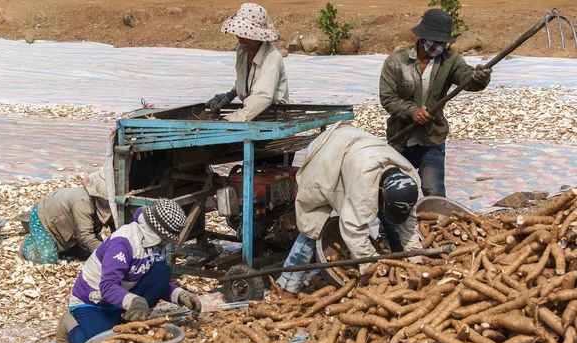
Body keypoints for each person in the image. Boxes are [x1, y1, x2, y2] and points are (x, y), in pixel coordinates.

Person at [275, 121, 422, 298]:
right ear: (381, 190)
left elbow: (409, 225)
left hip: (353, 147)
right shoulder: (365, 185)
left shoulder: (410, 178)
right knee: (312, 224)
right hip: (326, 154)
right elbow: (353, 229)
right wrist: (373, 267)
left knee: (382, 214)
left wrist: (417, 265)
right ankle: (288, 287)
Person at [55, 198, 202, 343]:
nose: (165, 243)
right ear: (156, 233)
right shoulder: (123, 243)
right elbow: (107, 286)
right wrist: (134, 301)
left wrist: (181, 295)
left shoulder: (155, 246)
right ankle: (68, 324)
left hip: (121, 296)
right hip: (92, 301)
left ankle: (132, 320)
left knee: (162, 270)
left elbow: (158, 282)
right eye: (165, 239)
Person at [379, 8, 492, 198]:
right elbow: (388, 97)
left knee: (434, 193)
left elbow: (467, 78)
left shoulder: (451, 61)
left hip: (432, 139)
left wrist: (479, 78)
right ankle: (389, 229)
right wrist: (412, 111)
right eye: (437, 41)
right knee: (393, 194)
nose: (440, 46)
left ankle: (434, 226)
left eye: (444, 42)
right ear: (424, 38)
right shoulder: (396, 61)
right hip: (400, 139)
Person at [206, 3, 288, 123]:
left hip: (273, 118)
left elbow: (262, 97)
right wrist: (230, 94)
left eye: (246, 34)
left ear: (259, 36)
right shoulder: (242, 49)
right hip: (252, 113)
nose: (240, 38)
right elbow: (245, 78)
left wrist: (231, 120)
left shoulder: (272, 57)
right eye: (239, 33)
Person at [20, 169, 112, 264]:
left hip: (71, 225)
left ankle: (63, 249)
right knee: (47, 259)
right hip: (44, 219)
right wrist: (108, 253)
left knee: (89, 253)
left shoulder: (106, 203)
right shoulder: (82, 202)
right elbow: (85, 236)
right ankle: (28, 245)